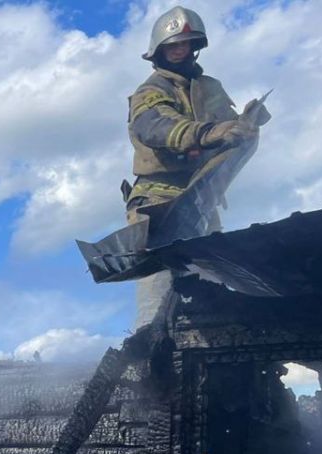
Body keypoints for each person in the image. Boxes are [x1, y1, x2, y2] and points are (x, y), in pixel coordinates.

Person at [126, 6, 257, 328]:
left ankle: (210, 358)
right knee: (158, 288)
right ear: (159, 50)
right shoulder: (150, 91)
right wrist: (206, 133)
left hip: (200, 198)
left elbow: (229, 134)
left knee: (212, 287)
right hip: (159, 202)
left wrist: (243, 130)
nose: (179, 50)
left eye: (184, 43)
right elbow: (155, 126)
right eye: (172, 45)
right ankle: (142, 361)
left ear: (195, 46)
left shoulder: (208, 88)